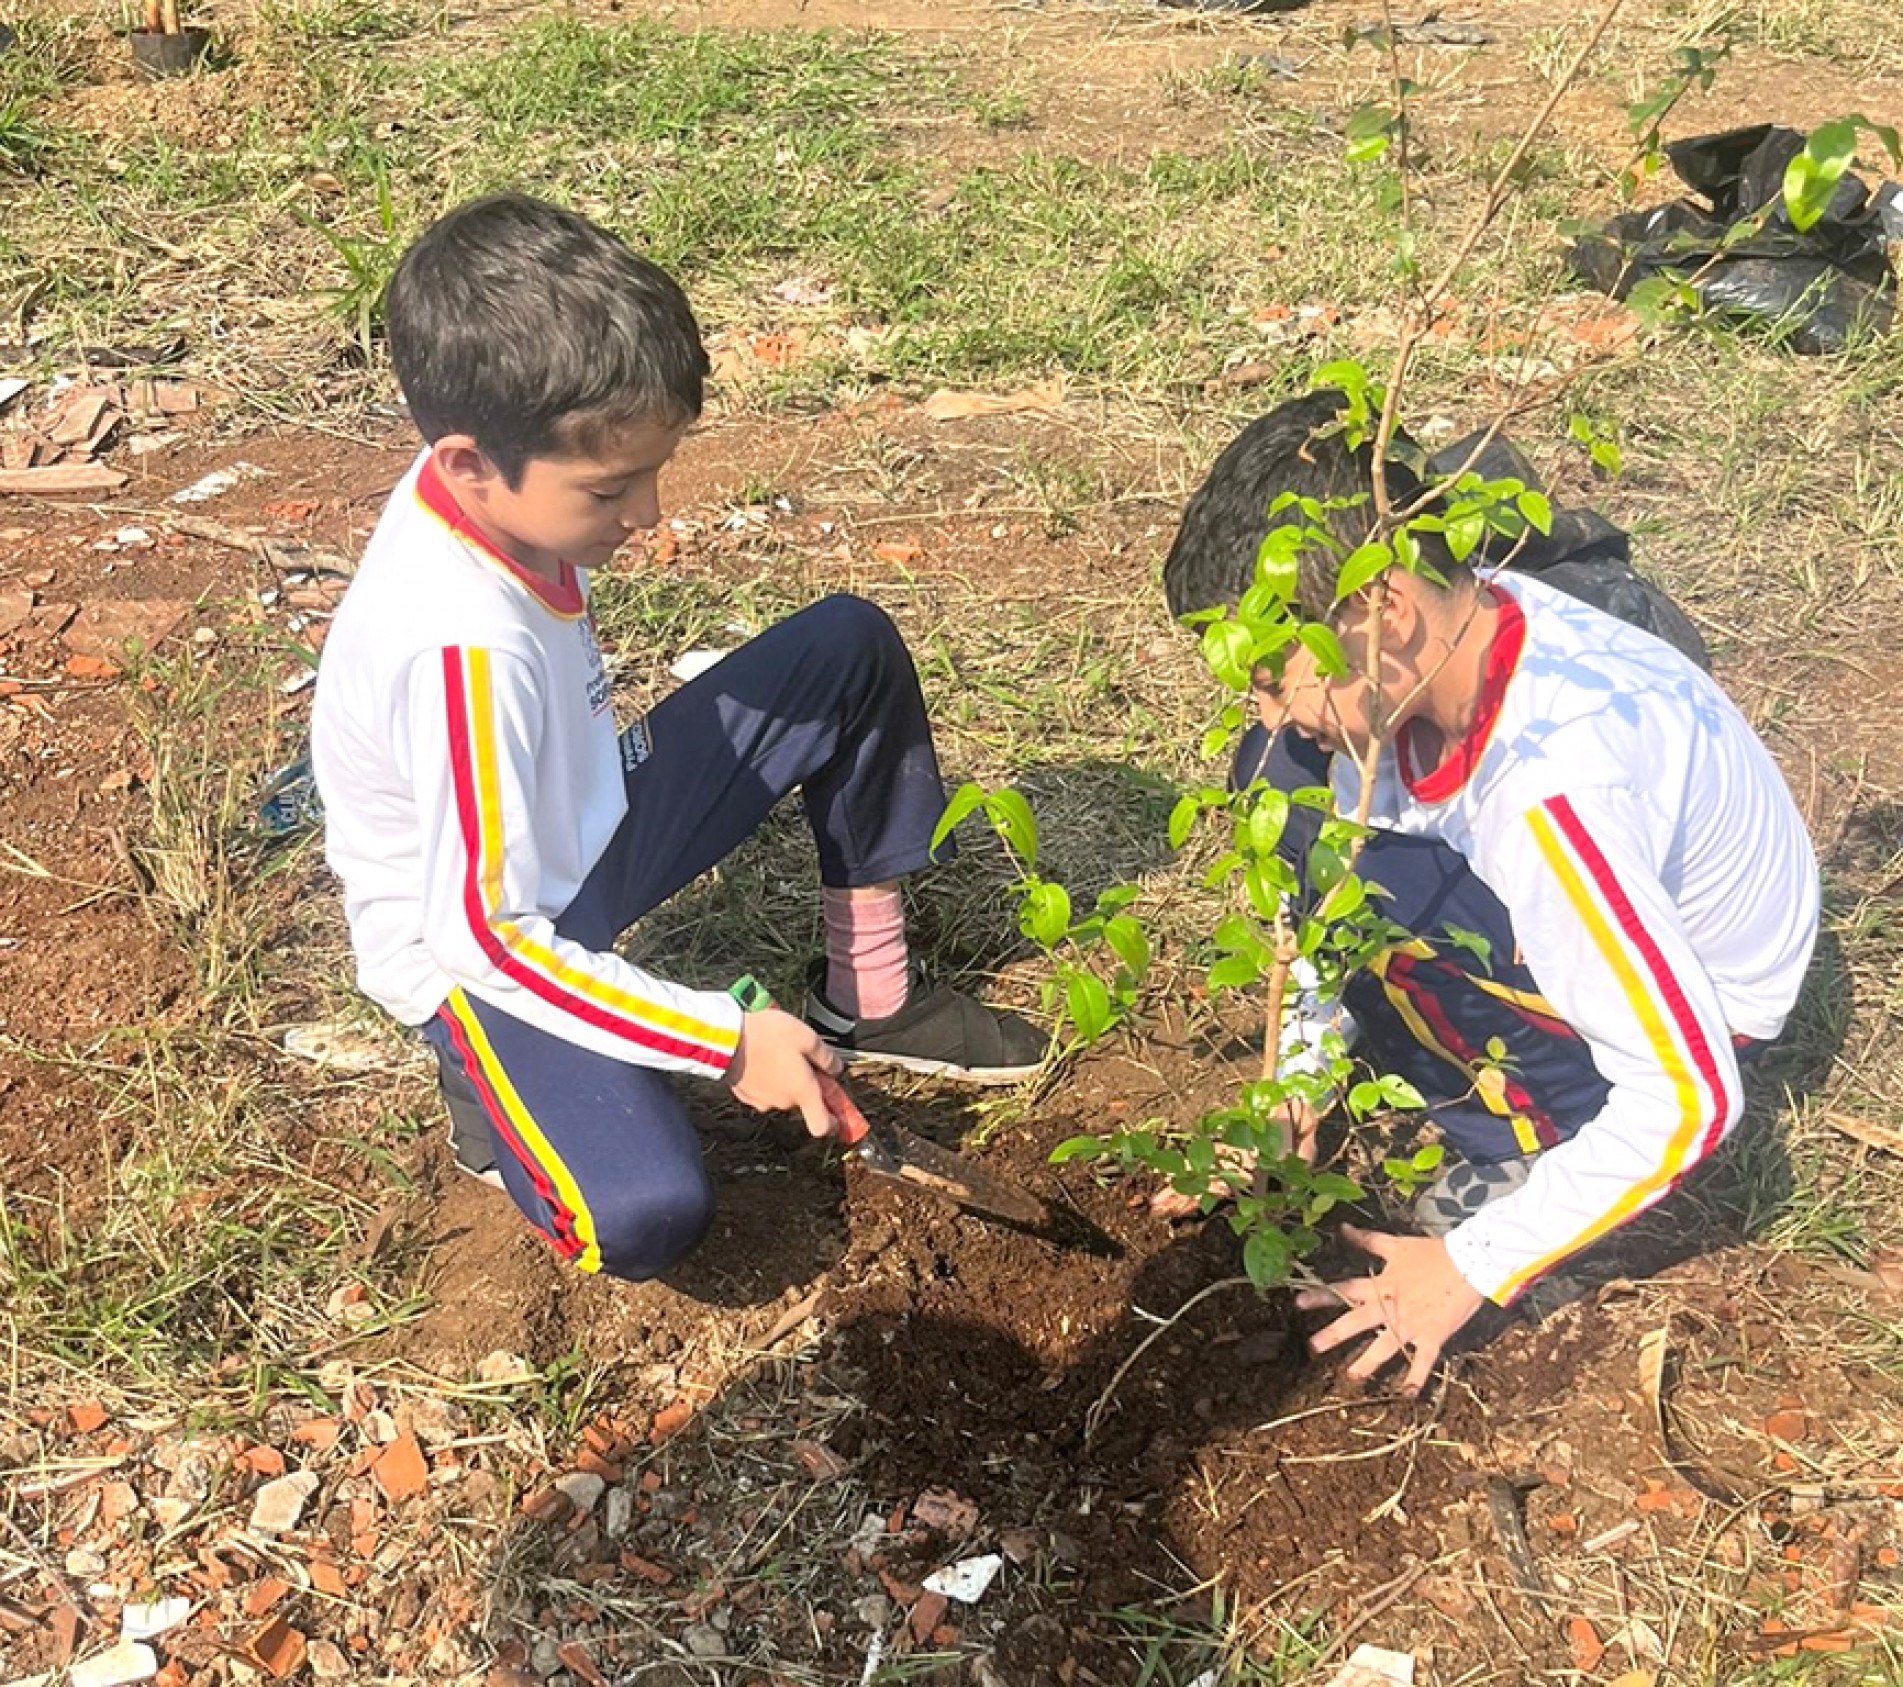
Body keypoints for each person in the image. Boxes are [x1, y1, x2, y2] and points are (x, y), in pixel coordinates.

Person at [311, 194, 1041, 1281]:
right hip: (476, 950)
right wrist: (723, 1036)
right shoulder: (457, 651)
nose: (647, 515)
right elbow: (485, 936)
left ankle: (871, 997)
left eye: (655, 470)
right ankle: (486, 1092)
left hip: (580, 830)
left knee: (843, 646)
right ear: (468, 464)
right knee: (644, 1215)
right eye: (610, 488)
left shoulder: (499, 484)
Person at [1161, 391, 1820, 1393]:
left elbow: (1690, 1096)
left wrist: (1475, 1261)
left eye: (1268, 671)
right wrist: (1295, 1077)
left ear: (1381, 610)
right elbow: (1329, 889)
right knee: (1281, 782)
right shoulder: (1450, 632)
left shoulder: (1551, 801)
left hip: (1695, 1021)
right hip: (1601, 923)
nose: (1264, 708)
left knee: (1323, 819)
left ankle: (1537, 1130)